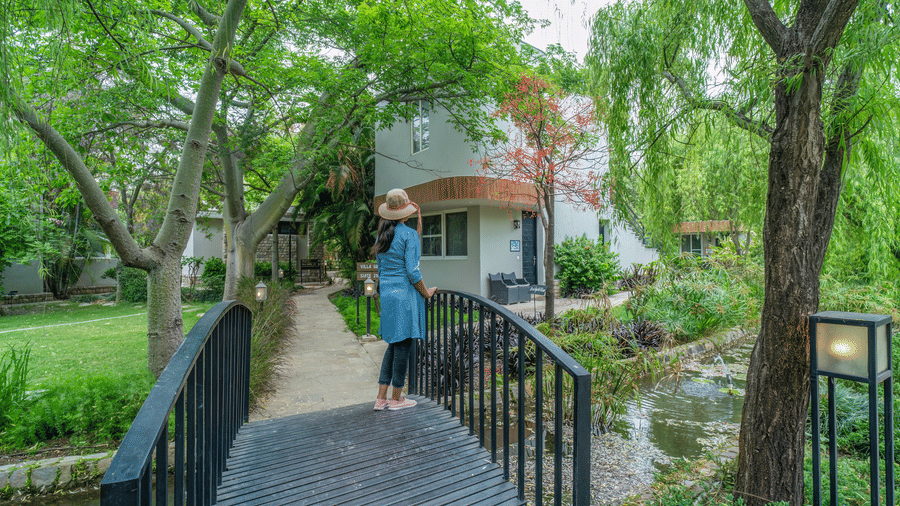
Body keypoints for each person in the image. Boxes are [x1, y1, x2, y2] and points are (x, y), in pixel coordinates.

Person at [372, 188, 437, 411]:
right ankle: (397, 398)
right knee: (404, 347)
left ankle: (381, 398)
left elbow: (381, 270)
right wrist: (426, 292)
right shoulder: (409, 234)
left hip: (388, 297)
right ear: (406, 214)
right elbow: (413, 271)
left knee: (393, 345)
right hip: (405, 299)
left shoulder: (381, 236)